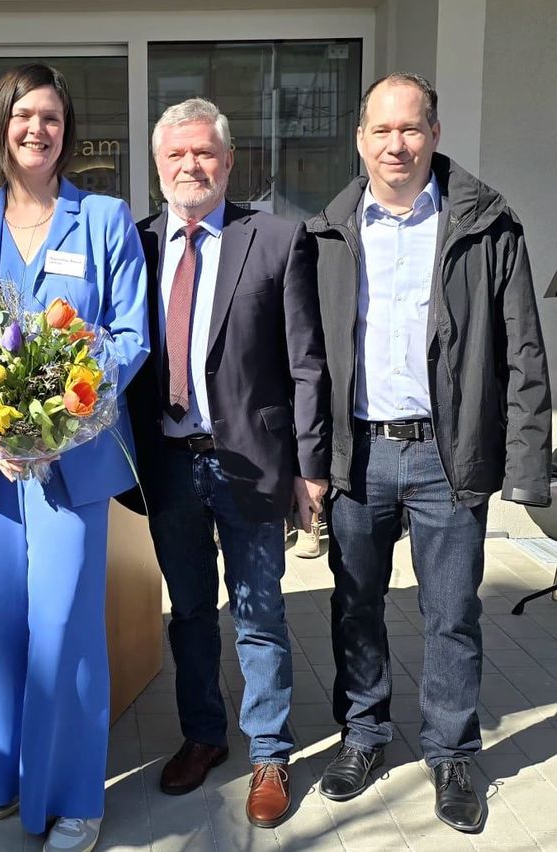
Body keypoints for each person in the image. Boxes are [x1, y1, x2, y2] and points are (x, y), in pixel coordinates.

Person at [307, 73, 552, 832]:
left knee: (451, 615)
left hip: (449, 456)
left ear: (435, 135)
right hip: (361, 452)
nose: (396, 144)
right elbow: (308, 357)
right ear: (360, 140)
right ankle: (366, 735)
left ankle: (450, 752)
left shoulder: (487, 225)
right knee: (356, 608)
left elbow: (525, 353)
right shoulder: (330, 232)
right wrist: (309, 462)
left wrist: (525, 463)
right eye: (381, 131)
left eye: (410, 129)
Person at [0, 63, 148, 852]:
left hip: (71, 466)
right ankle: (5, 778)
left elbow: (129, 335)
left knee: (66, 628)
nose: (37, 130)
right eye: (24, 115)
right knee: (0, 628)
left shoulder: (105, 219)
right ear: (1, 124)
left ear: (67, 132)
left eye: (52, 117)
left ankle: (77, 798)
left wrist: (61, 418)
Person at [120, 98, 330, 827]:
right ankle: (204, 735)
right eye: (176, 155)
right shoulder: (135, 244)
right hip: (170, 462)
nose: (190, 166)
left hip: (250, 458)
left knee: (259, 610)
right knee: (188, 614)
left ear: (229, 161)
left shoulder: (274, 238)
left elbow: (306, 362)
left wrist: (312, 466)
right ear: (158, 165)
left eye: (204, 153)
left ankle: (269, 749)